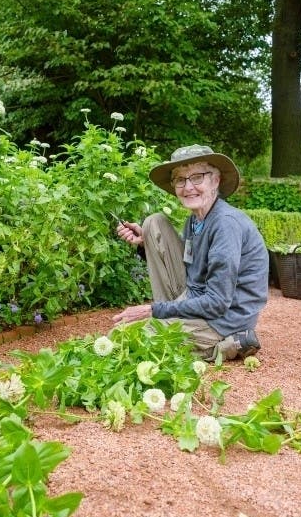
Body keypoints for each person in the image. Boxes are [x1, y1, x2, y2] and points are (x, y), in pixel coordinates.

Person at [112, 144, 269, 361]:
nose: (188, 187)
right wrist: (144, 243)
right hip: (198, 297)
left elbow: (217, 303)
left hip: (223, 317)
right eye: (180, 179)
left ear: (216, 180)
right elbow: (189, 268)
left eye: (197, 177)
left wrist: (152, 311)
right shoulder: (195, 220)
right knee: (153, 223)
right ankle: (176, 328)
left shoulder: (225, 225)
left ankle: (226, 345)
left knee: (127, 339)